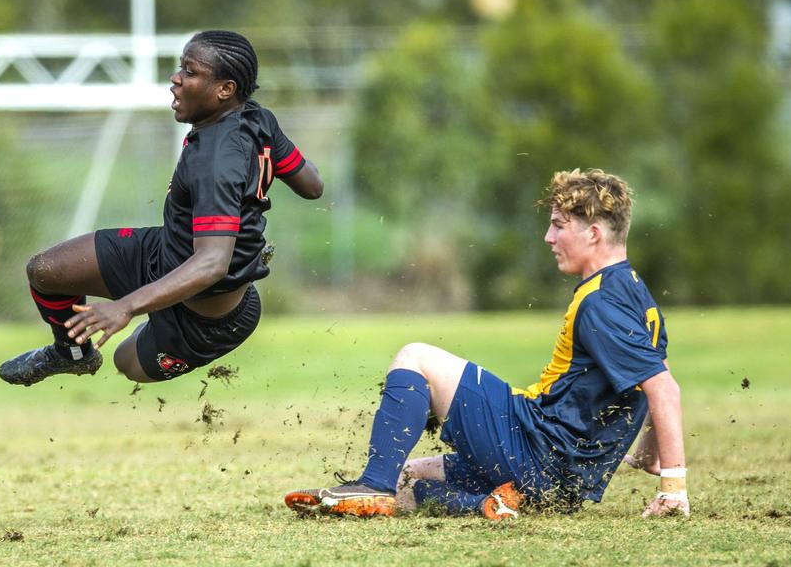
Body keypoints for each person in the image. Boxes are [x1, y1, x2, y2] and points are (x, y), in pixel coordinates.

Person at [284, 169, 688, 520]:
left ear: (594, 233)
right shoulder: (634, 290)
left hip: (537, 450)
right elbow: (659, 377)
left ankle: (372, 485)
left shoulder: (601, 301)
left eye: (559, 225)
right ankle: (485, 504)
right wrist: (652, 452)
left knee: (415, 356)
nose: (548, 237)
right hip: (562, 482)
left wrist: (673, 489)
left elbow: (663, 390)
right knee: (406, 479)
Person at [0, 30, 323, 385]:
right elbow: (313, 186)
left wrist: (126, 306)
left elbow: (213, 263)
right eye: (180, 67)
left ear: (225, 90)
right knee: (46, 271)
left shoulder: (216, 161)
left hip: (205, 320)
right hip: (165, 255)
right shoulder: (257, 119)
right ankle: (72, 354)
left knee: (126, 362)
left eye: (190, 71)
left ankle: (156, 310)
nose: (176, 79)